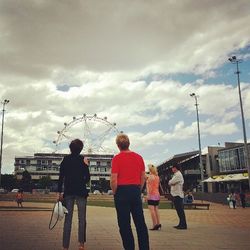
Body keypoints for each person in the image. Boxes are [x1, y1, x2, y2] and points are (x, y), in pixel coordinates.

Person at [110, 133, 150, 250]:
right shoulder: (139, 157)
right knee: (140, 223)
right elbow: (143, 177)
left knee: (124, 224)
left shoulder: (116, 158)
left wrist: (115, 191)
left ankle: (129, 247)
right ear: (129, 143)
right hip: (135, 190)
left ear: (118, 146)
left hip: (122, 191)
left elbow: (113, 179)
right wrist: (139, 189)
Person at [58, 139, 90, 250]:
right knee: (82, 219)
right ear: (80, 149)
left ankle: (65, 246)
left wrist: (59, 192)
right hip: (81, 192)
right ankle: (81, 244)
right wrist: (86, 166)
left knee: (68, 220)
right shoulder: (83, 160)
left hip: (68, 192)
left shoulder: (65, 160)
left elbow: (61, 177)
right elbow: (87, 178)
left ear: (70, 148)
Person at [168, 165, 187, 230]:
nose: (172, 169)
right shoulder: (176, 174)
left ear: (175, 168)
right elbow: (171, 182)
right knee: (179, 210)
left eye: (172, 168)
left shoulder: (178, 175)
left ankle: (183, 225)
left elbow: (171, 182)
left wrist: (171, 183)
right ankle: (181, 223)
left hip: (178, 195)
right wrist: (171, 183)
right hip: (176, 194)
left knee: (180, 210)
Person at [146, 164, 161, 230]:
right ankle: (158, 223)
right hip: (157, 194)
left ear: (150, 170)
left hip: (152, 195)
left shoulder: (150, 177)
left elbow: (150, 188)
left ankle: (154, 225)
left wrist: (148, 195)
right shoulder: (157, 177)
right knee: (156, 209)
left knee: (152, 210)